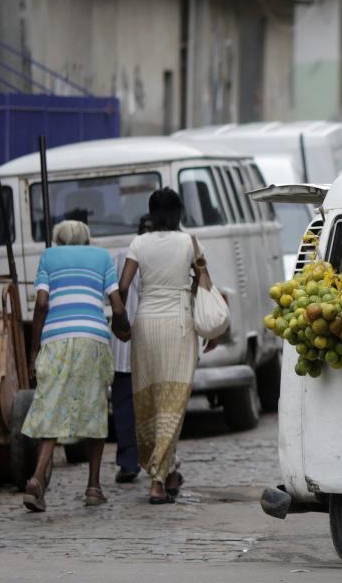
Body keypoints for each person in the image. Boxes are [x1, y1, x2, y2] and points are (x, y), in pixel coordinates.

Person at [22, 220, 130, 512]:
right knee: (95, 409)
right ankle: (93, 487)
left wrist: (34, 348)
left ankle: (35, 479)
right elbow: (117, 307)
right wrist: (123, 329)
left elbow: (42, 304)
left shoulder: (48, 257)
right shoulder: (102, 257)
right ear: (86, 239)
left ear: (58, 239)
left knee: (51, 408)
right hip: (92, 339)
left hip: (56, 339)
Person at [118, 188, 216, 504]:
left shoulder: (138, 243)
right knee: (173, 402)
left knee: (151, 401)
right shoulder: (190, 242)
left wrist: (120, 322)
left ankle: (169, 470)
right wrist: (213, 328)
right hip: (178, 322)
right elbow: (205, 284)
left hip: (146, 323)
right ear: (178, 214)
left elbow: (122, 287)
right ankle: (158, 482)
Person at [109, 214, 153, 484]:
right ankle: (144, 461)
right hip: (147, 343)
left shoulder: (120, 256)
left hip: (126, 343)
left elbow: (114, 293)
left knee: (126, 406)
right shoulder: (166, 252)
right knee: (147, 406)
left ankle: (130, 461)